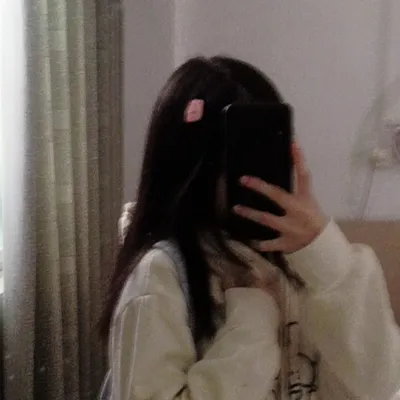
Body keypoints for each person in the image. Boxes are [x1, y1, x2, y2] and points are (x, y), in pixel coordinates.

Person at [100, 56, 400, 399]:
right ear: (193, 164)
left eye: (271, 147)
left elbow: (380, 386)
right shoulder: (161, 275)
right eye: (240, 152)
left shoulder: (305, 262)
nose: (257, 169)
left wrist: (327, 259)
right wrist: (252, 314)